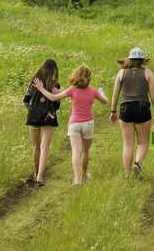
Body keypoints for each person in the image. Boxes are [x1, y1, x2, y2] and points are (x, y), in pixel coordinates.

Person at [34, 65, 108, 185]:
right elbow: (106, 101)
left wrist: (41, 89)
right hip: (88, 123)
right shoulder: (93, 91)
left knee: (75, 151)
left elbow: (53, 98)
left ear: (76, 75)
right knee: (85, 152)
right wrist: (102, 93)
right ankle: (84, 175)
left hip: (74, 123)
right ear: (89, 77)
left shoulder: (72, 90)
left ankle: (77, 179)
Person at [109, 47, 154, 178]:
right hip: (142, 108)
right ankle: (137, 164)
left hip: (125, 108)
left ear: (130, 59)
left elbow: (115, 95)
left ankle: (127, 174)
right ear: (142, 60)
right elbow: (153, 95)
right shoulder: (147, 72)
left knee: (127, 144)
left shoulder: (121, 73)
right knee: (143, 142)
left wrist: (113, 111)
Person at [23, 59, 61, 187]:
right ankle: (40, 175)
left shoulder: (33, 83)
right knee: (45, 148)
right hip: (49, 118)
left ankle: (36, 172)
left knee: (36, 147)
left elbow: (26, 100)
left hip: (33, 117)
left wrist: (32, 110)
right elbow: (57, 104)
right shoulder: (55, 85)